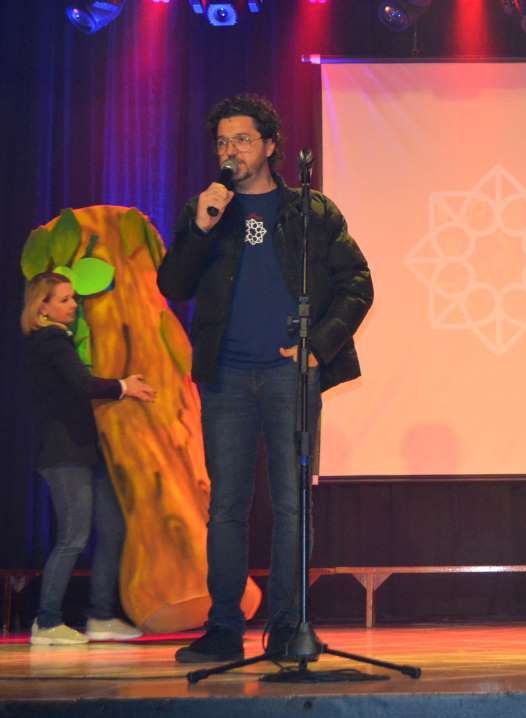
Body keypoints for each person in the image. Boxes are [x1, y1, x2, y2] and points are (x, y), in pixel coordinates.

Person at [158, 94, 373, 664]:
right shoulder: (207, 210)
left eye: (242, 140)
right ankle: (223, 627)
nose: (230, 151)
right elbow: (173, 285)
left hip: (288, 376)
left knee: (292, 504)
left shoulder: (310, 210)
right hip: (225, 378)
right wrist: (200, 228)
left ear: (271, 146)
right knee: (226, 506)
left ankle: (286, 626)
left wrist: (317, 348)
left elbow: (358, 283)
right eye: (222, 142)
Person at [21, 272, 156, 645]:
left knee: (113, 529)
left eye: (73, 298)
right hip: (64, 453)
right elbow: (83, 385)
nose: (73, 305)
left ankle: (101, 616)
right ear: (42, 307)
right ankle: (47, 622)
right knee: (73, 537)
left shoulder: (58, 340)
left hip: (85, 451)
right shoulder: (50, 341)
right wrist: (124, 386)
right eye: (64, 299)